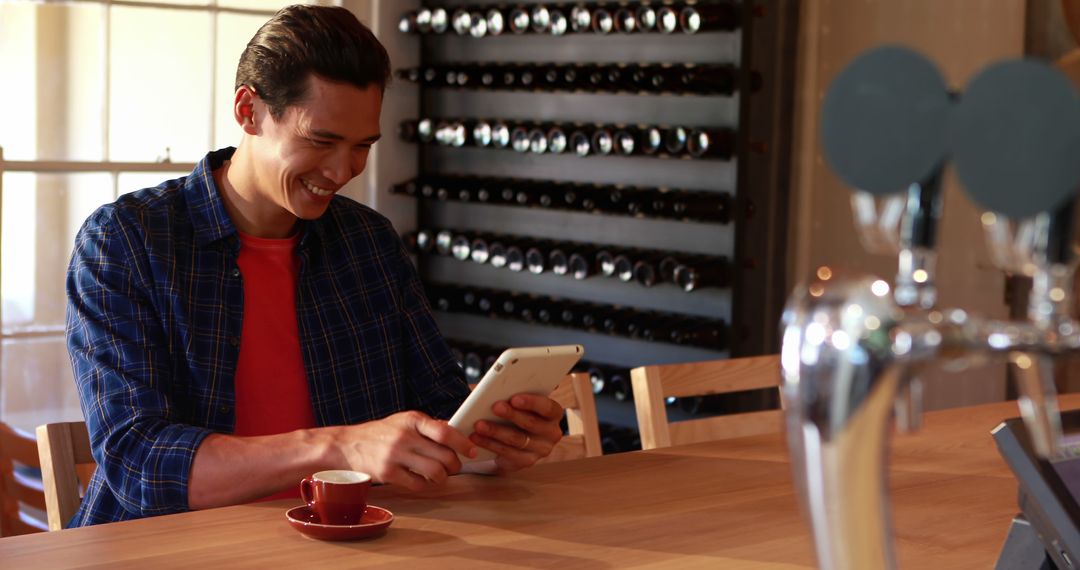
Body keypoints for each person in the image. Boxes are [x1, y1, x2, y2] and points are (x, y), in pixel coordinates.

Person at [65, 4, 564, 527]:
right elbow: (140, 464)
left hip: (351, 542)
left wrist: (494, 440)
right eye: (321, 141)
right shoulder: (126, 240)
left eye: (361, 146)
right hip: (166, 549)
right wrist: (341, 447)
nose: (343, 170)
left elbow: (439, 409)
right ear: (248, 110)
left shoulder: (368, 242)